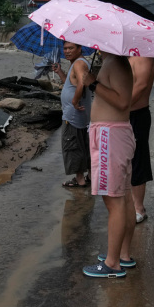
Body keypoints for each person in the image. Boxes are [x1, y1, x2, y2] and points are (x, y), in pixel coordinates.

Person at [81, 52, 136, 278]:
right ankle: (121, 255)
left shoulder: (117, 63)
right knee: (121, 198)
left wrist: (93, 83)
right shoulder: (114, 62)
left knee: (114, 200)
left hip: (110, 136)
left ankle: (113, 263)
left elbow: (123, 101)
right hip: (111, 134)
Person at [51, 42, 92, 188]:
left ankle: (80, 180)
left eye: (71, 48)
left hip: (73, 116)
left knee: (72, 146)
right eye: (65, 48)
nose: (67, 51)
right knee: (83, 145)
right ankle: (89, 177)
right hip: (80, 116)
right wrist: (60, 72)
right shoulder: (77, 63)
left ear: (80, 48)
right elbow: (72, 83)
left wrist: (74, 101)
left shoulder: (79, 64)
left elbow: (82, 83)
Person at [128, 56, 154, 224]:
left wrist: (121, 106)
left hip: (137, 114)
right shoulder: (129, 57)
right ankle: (131, 203)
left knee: (137, 159)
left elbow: (141, 85)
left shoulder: (144, 57)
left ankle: (139, 208)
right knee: (128, 160)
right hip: (127, 114)